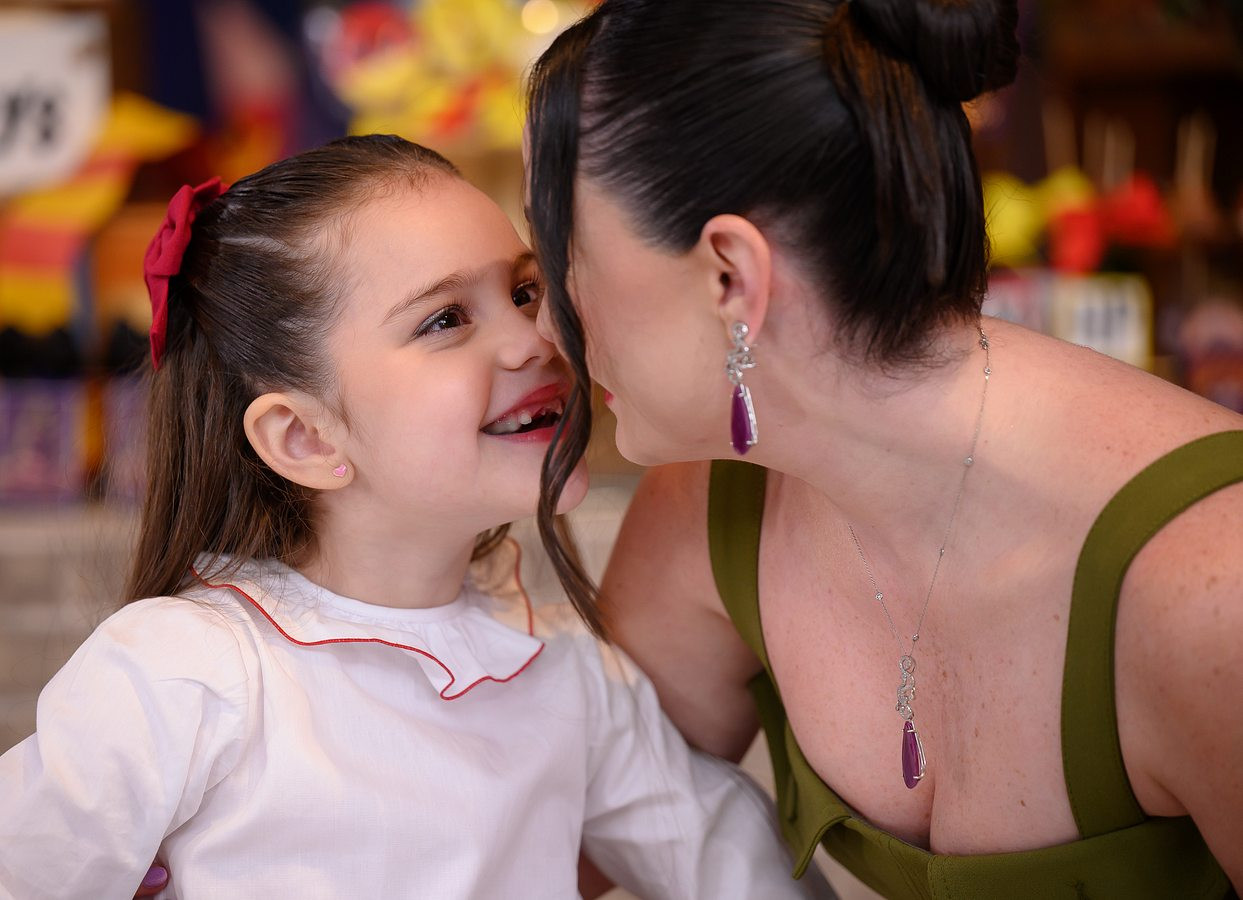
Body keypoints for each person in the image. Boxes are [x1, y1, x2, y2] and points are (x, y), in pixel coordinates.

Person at [523, 0, 1243, 896]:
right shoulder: (711, 502)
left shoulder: (1211, 584)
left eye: (568, 258)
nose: (549, 326)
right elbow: (554, 851)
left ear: (731, 276)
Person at [0, 135, 827, 899]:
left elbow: (733, 865)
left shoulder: (572, 677)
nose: (534, 339)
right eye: (445, 319)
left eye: (524, 291)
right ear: (303, 437)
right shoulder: (184, 674)